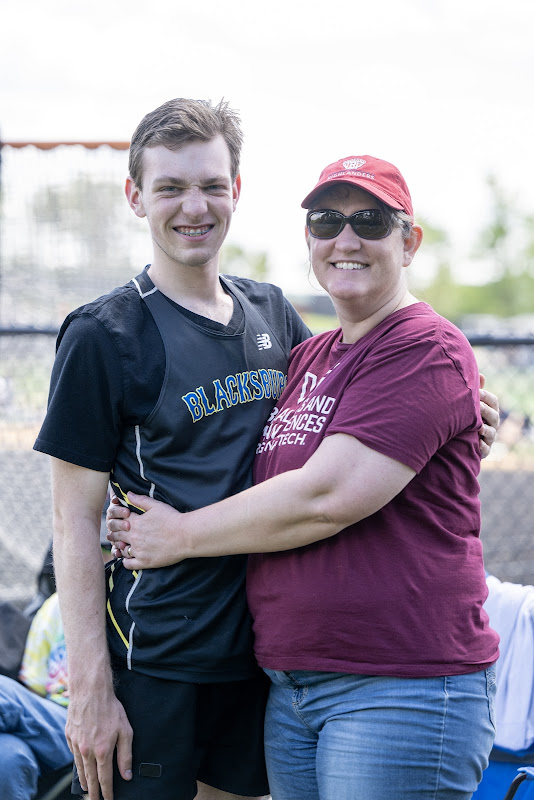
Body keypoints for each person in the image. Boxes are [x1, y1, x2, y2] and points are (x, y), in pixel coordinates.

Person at [107, 154, 501, 800]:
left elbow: (325, 497)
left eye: (370, 221)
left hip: (397, 687)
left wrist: (177, 537)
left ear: (410, 242)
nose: (345, 239)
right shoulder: (310, 356)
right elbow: (229, 429)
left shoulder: (427, 348)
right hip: (291, 691)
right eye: (326, 221)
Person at [33, 97, 311, 800]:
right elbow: (72, 520)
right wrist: (92, 689)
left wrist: (463, 402)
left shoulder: (273, 313)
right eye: (171, 187)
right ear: (135, 197)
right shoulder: (104, 335)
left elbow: (357, 398)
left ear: (237, 191)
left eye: (212, 185)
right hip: (156, 657)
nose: (195, 206)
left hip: (262, 652)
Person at [0, 591, 72, 800]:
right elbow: (33, 689)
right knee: (8, 758)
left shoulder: (138, 597)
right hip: (48, 718)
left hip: (99, 722)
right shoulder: (56, 606)